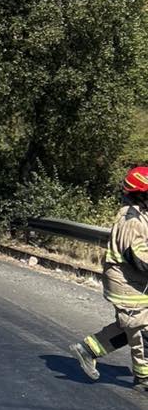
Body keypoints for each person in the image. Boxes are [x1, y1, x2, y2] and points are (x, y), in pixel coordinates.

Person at [71, 167, 148, 394]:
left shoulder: (140, 214)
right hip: (127, 284)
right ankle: (144, 377)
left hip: (133, 281)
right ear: (141, 193)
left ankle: (88, 349)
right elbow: (139, 257)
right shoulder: (132, 220)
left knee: (130, 326)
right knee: (142, 329)